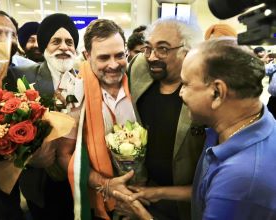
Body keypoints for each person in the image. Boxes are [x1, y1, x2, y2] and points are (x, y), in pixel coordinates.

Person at [119, 18, 205, 220]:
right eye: (148, 48)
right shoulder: (138, 67)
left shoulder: (203, 90)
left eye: (163, 49)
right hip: (142, 193)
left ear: (187, 51)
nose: (151, 57)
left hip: (184, 202)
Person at [181, 38, 276, 219]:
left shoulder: (242, 177)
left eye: (186, 84)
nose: (181, 93)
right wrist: (156, 193)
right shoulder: (251, 122)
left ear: (217, 93)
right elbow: (208, 192)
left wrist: (140, 214)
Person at [11, 13, 81, 220]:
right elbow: (6, 128)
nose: (64, 47)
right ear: (44, 47)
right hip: (40, 180)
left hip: (76, 177)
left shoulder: (85, 79)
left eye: (69, 42)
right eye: (56, 41)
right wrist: (31, 159)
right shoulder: (22, 75)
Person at [68, 19, 138, 220]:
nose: (113, 64)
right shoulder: (73, 93)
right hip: (101, 198)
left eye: (119, 55)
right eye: (104, 58)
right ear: (86, 56)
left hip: (143, 194)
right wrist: (106, 184)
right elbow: (65, 156)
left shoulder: (140, 83)